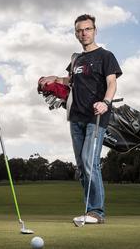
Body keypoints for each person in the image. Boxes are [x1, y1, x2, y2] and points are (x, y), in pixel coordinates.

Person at [39, 14, 122, 225]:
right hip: (75, 117)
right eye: (79, 30)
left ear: (95, 30)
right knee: (82, 166)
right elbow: (70, 80)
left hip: (97, 116)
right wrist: (54, 78)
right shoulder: (76, 59)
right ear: (76, 33)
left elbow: (111, 83)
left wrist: (106, 102)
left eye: (87, 29)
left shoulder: (106, 56)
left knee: (89, 162)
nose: (84, 33)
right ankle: (88, 211)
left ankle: (96, 212)